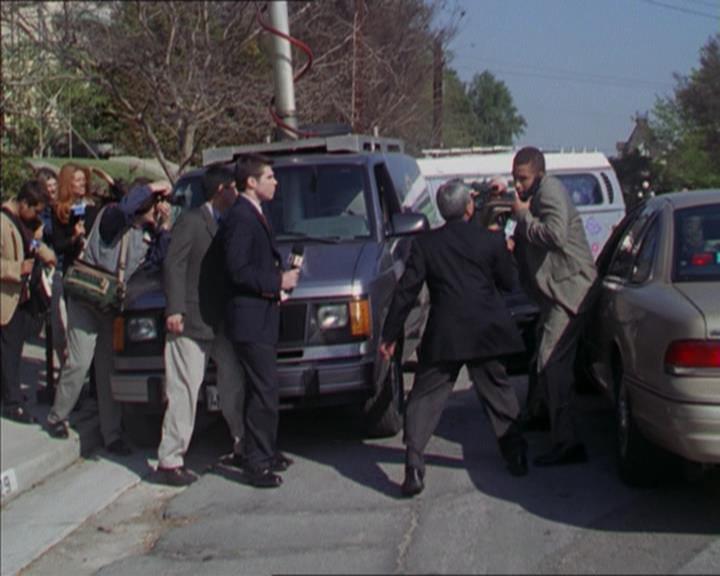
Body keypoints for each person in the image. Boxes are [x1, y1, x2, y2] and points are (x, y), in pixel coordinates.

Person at [380, 180, 529, 498]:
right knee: (498, 391)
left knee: (425, 397)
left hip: (446, 332)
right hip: (486, 330)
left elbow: (406, 291)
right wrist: (507, 253)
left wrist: (390, 334)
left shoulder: (426, 244)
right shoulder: (490, 240)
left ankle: (413, 464)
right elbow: (508, 282)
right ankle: (515, 455)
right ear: (469, 207)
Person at [46, 180, 173, 456]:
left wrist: (163, 228)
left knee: (107, 371)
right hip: (86, 298)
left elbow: (158, 260)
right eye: (156, 203)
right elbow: (126, 209)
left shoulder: (147, 234)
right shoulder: (112, 217)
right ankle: (57, 415)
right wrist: (152, 188)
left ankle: (111, 433)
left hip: (110, 305)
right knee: (80, 361)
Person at [503, 146, 597, 467]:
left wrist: (522, 217)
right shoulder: (536, 194)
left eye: (523, 179)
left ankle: (567, 442)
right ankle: (541, 414)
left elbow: (555, 235)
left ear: (539, 174)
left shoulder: (550, 191)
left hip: (570, 291)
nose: (518, 185)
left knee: (551, 362)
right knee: (538, 358)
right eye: (515, 178)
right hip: (556, 293)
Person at [155, 164, 246, 486]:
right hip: (190, 321)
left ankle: (242, 443)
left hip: (218, 321)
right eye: (234, 187)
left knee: (233, 382)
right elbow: (174, 264)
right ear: (221, 190)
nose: (237, 193)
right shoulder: (192, 222)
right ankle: (170, 460)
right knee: (184, 389)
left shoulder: (227, 222)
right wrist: (175, 309)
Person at [221, 154, 299, 488]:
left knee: (265, 389)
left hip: (262, 315)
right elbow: (237, 269)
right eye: (269, 177)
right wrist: (277, 281)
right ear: (251, 182)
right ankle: (257, 462)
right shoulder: (241, 217)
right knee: (263, 390)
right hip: (249, 319)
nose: (275, 182)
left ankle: (266, 449)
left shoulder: (256, 212)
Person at [1, 180, 57, 422]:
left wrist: (45, 253)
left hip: (22, 297)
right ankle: (12, 403)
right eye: (35, 210)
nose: (37, 216)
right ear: (24, 203)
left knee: (12, 349)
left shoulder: (24, 224)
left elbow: (32, 243)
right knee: (10, 352)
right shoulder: (3, 223)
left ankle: (9, 394)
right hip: (7, 296)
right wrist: (17, 268)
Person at [51, 163, 99, 275]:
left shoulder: (90, 207)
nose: (83, 183)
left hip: (91, 264)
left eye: (84, 180)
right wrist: (75, 237)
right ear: (68, 184)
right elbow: (58, 245)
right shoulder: (60, 210)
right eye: (78, 180)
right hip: (71, 267)